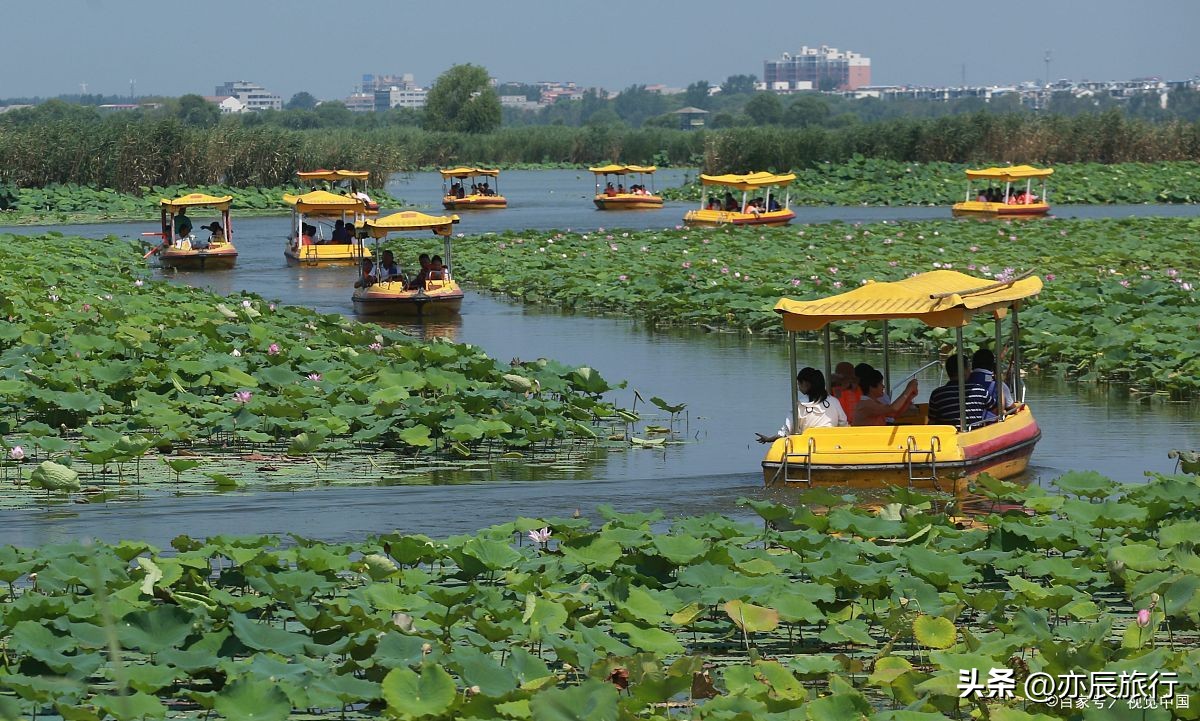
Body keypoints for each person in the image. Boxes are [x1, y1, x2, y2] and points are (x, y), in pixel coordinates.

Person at [756, 367, 848, 443]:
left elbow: (786, 431)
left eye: (799, 384)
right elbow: (843, 425)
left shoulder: (800, 405)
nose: (798, 388)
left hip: (808, 446)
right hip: (830, 445)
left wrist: (768, 439)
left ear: (805, 384)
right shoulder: (834, 401)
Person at [928, 354, 989, 429]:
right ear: (965, 370)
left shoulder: (937, 394)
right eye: (968, 368)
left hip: (949, 438)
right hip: (975, 436)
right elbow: (998, 410)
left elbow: (932, 421)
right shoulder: (980, 390)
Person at [967, 348, 1016, 420]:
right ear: (992, 365)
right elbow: (1012, 408)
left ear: (973, 364)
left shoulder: (964, 382)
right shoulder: (997, 384)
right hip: (990, 423)